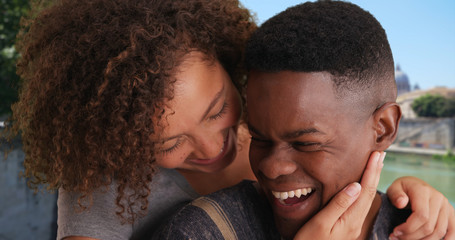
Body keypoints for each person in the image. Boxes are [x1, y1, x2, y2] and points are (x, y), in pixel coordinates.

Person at [7, 0, 452, 239]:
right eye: (168, 143)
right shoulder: (104, 191)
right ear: (120, 142)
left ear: (226, 60)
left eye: (218, 108)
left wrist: (407, 193)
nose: (213, 146)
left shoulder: (271, 115)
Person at [152, 1, 455, 240]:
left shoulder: (424, 227)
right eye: (260, 139)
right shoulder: (201, 230)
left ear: (384, 128)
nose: (271, 167)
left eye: (305, 143)